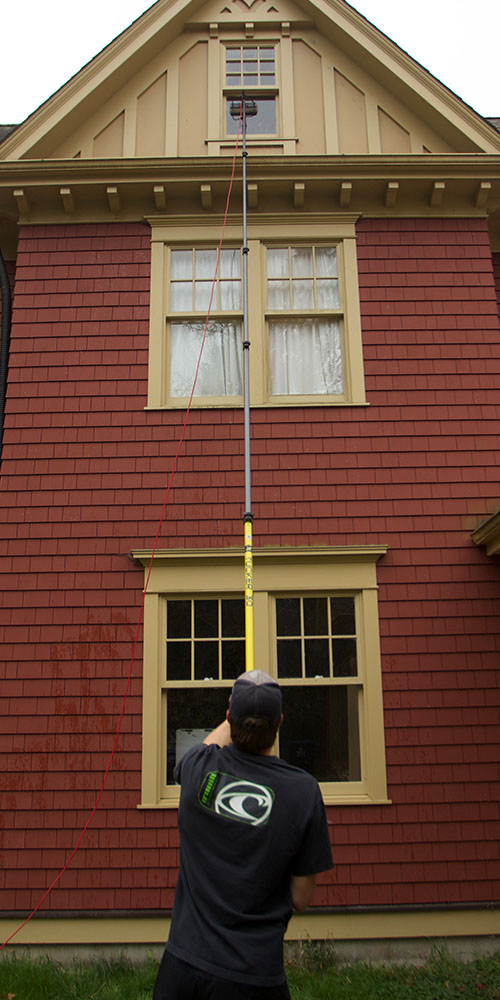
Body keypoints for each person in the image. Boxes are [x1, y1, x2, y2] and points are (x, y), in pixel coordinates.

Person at [153, 669, 334, 1000]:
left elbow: (209, 744)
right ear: (280, 722)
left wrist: (239, 704)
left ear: (227, 717)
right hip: (253, 977)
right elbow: (301, 898)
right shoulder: (302, 793)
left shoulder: (197, 772)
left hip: (182, 972)